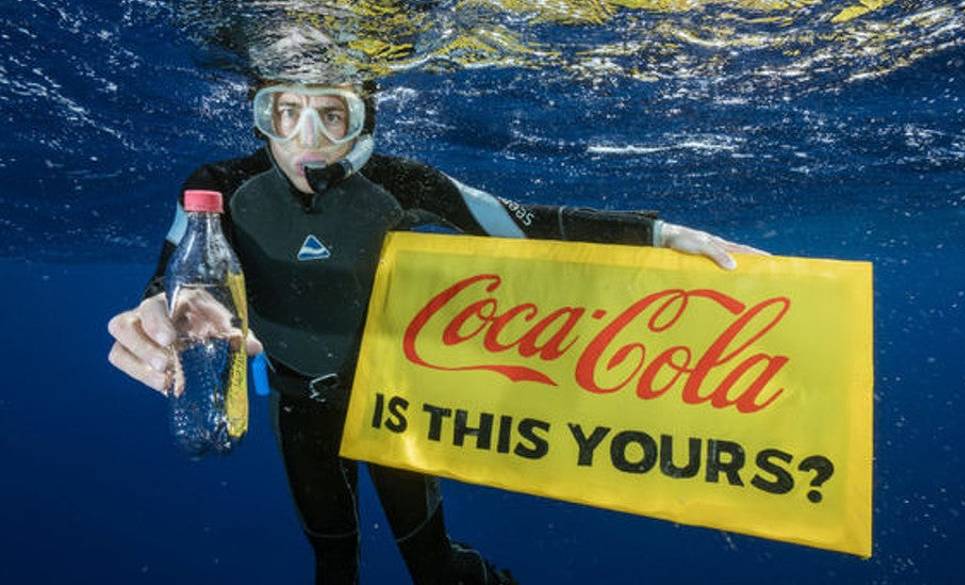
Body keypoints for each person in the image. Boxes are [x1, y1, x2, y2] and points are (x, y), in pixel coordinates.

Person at [107, 80, 764, 584]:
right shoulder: (218, 186)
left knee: (431, 563)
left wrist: (659, 232)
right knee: (332, 564)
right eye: (286, 111)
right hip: (298, 404)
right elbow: (174, 277)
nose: (306, 138)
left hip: (391, 404)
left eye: (332, 114)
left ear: (362, 120)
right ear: (262, 113)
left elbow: (523, 222)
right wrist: (154, 313)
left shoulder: (400, 183)